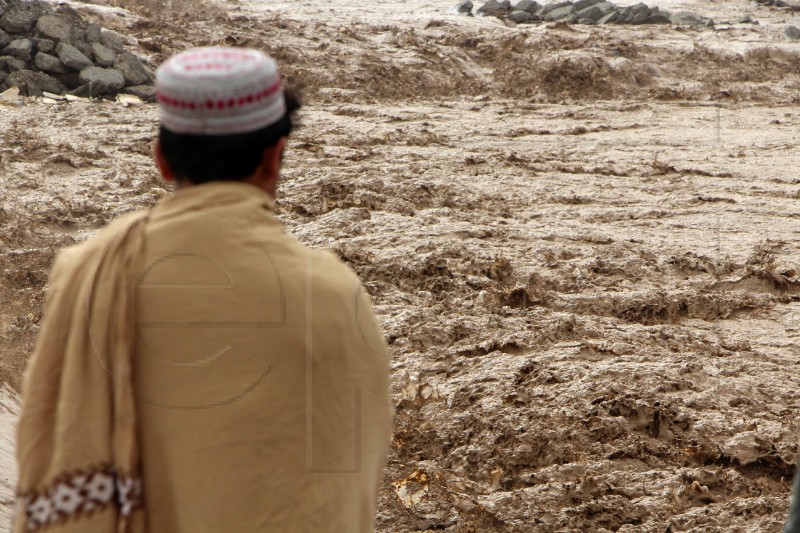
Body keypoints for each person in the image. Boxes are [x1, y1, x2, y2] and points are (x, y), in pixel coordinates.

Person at [14, 47, 394, 532]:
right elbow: (347, 477)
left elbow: (51, 435)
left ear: (162, 159)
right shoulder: (334, 295)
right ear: (276, 156)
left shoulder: (88, 270)